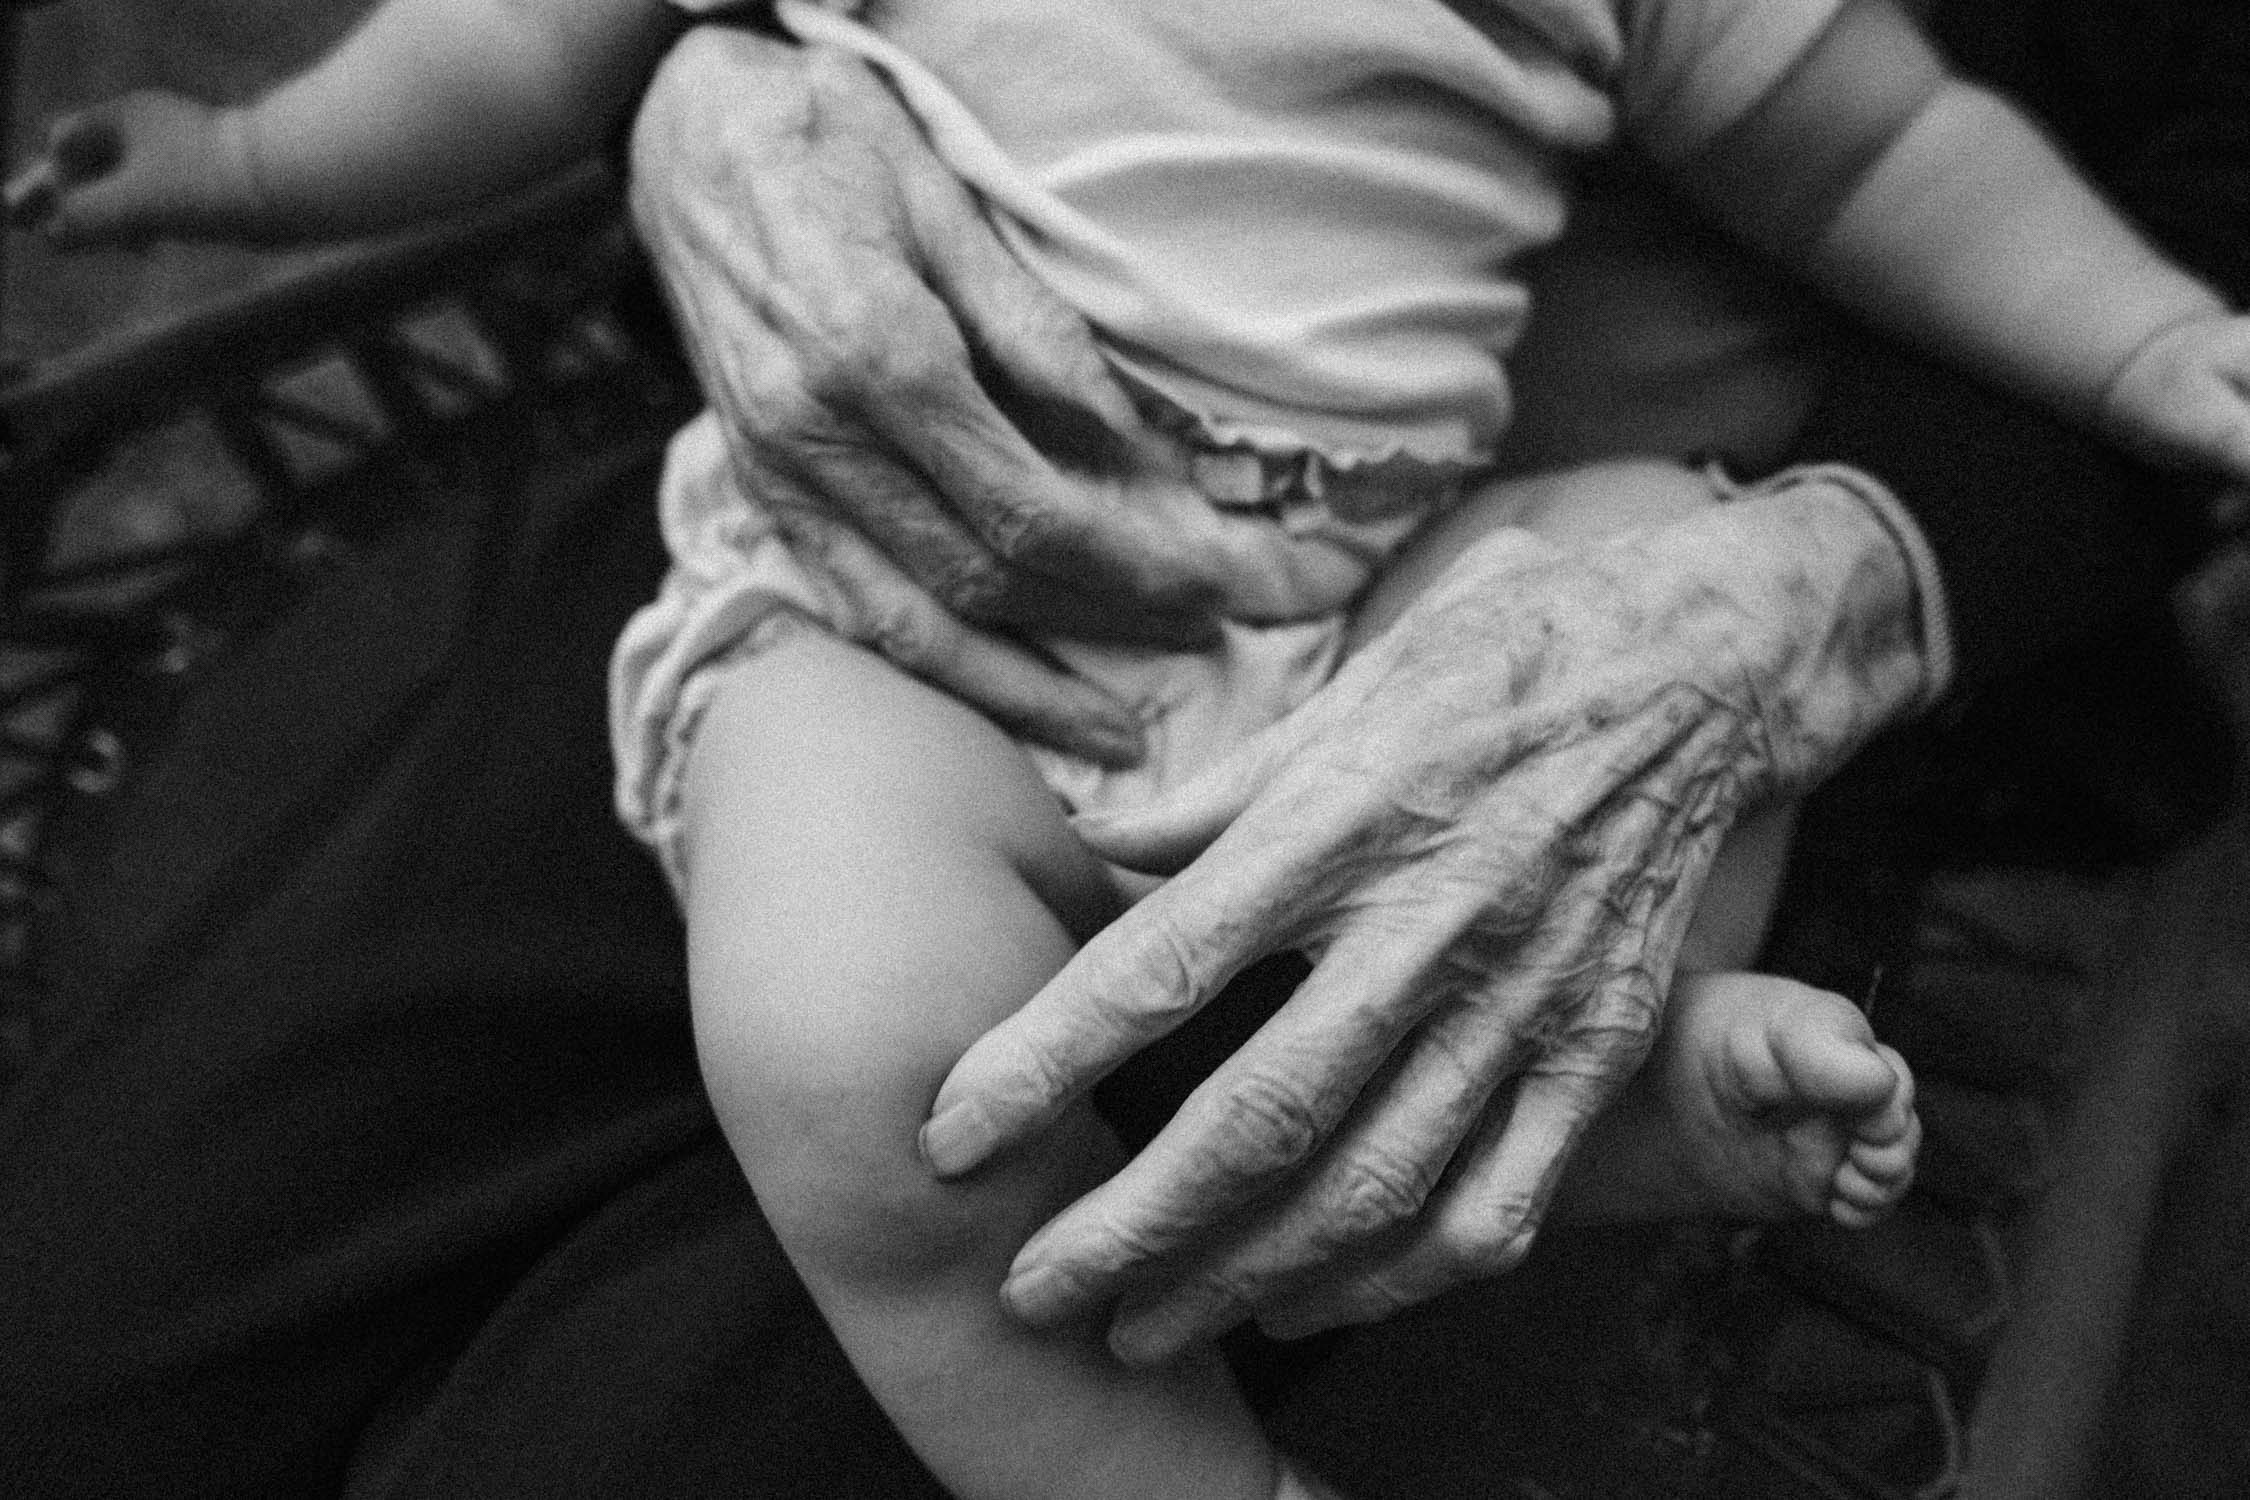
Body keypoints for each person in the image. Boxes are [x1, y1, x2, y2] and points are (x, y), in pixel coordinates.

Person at [6, 0, 2246, 1496]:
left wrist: (2150, 338)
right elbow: (518, 35)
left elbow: (1879, 149)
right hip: (892, 616)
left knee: (1634, 589)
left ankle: (1597, 1107)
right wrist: (254, 153)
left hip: (1368, 607)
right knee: (862, 1053)